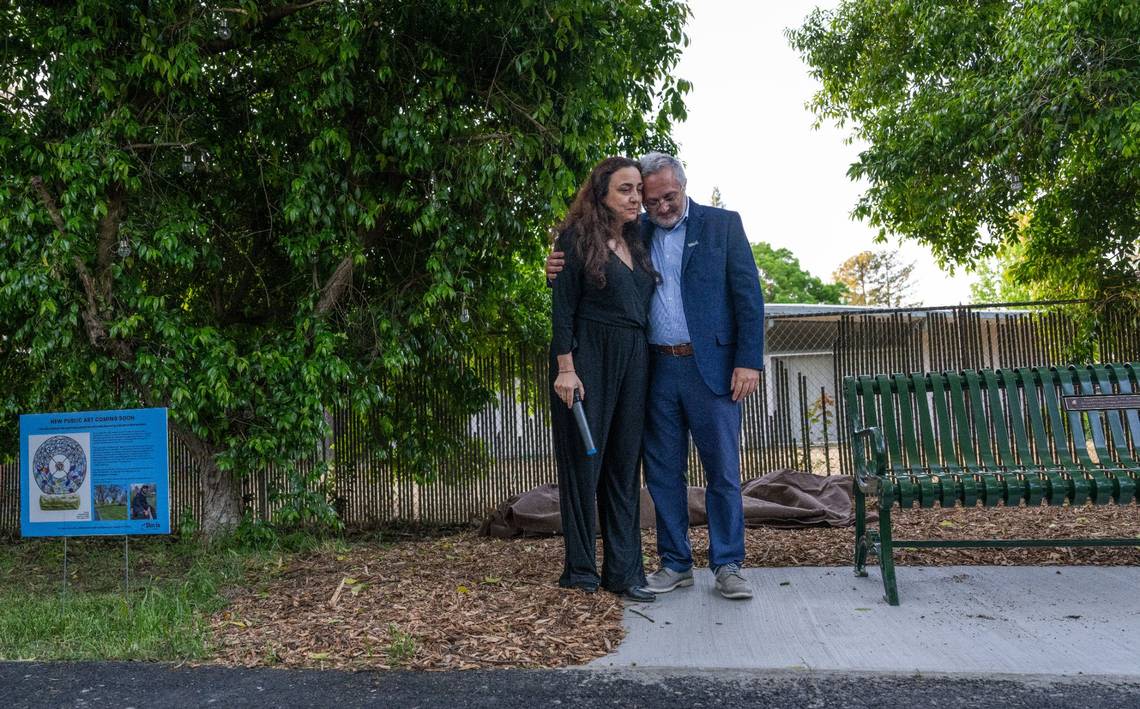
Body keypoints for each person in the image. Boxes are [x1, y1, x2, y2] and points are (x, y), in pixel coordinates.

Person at [546, 152, 765, 600]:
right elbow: (585, 266)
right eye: (652, 199)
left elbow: (748, 296)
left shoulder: (722, 226)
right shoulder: (635, 229)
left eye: (669, 196)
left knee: (722, 471)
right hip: (656, 368)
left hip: (714, 371)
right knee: (663, 472)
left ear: (684, 187)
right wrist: (552, 268)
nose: (661, 206)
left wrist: (749, 360)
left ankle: (728, 564)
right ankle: (676, 562)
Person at [550, 156, 657, 603]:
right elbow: (562, 308)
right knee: (583, 467)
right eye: (625, 190)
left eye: (638, 190)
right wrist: (566, 368)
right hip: (587, 358)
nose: (636, 198)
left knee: (624, 465)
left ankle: (625, 571)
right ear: (601, 194)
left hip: (636, 357)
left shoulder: (641, 238)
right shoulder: (575, 239)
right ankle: (579, 570)